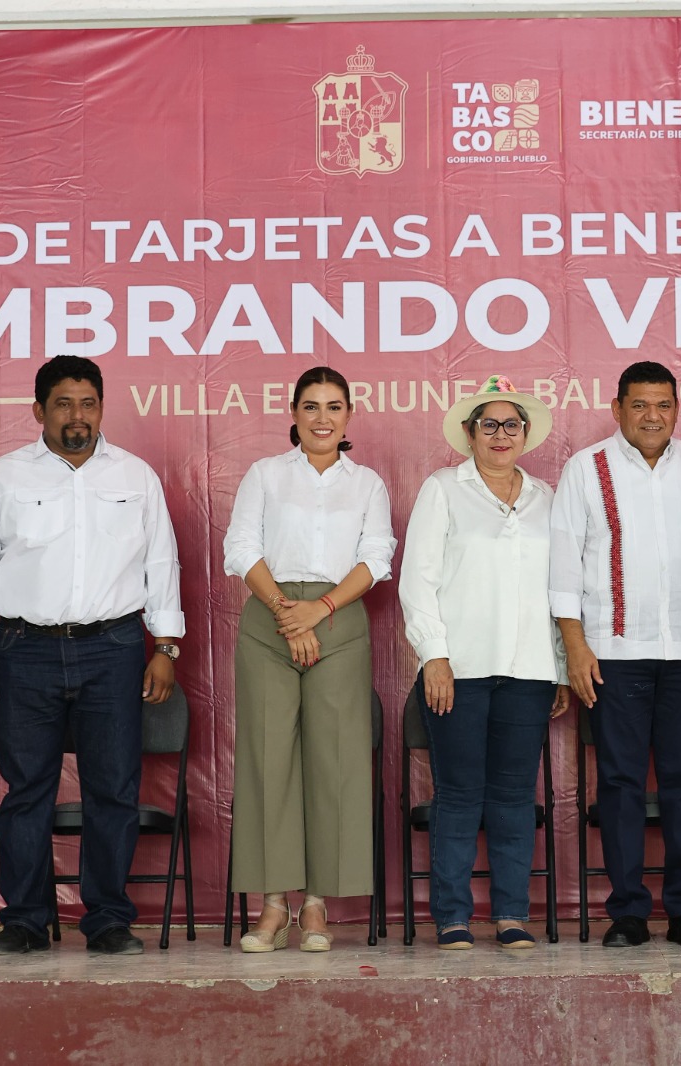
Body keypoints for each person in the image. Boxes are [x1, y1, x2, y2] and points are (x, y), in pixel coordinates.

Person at [0, 355, 183, 956]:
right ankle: (25, 919)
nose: (76, 415)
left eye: (87, 403)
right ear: (38, 410)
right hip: (23, 651)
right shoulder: (4, 477)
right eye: (63, 403)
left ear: (102, 408)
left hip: (115, 649)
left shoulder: (136, 478)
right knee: (27, 790)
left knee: (113, 789)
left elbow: (161, 565)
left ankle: (106, 918)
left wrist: (167, 647)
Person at [550, 361, 681, 949]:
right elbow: (563, 566)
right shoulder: (586, 469)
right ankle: (627, 911)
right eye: (640, 405)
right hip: (612, 652)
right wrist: (574, 647)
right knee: (621, 784)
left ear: (676, 409)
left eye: (663, 405)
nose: (652, 416)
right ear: (617, 407)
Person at [223, 365, 395, 953]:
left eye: (334, 407)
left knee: (336, 759)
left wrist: (318, 609)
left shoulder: (367, 483)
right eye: (311, 406)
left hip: (338, 619)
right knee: (269, 758)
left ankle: (318, 904)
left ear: (349, 416)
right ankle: (273, 905)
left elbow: (377, 557)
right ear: (293, 413)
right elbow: (241, 547)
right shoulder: (266, 474)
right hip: (270, 617)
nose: (323, 418)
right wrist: (284, 610)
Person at [400, 375, 571, 950]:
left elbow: (561, 588)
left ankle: (511, 916)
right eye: (489, 424)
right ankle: (452, 916)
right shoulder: (444, 489)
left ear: (526, 434)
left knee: (514, 798)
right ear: (470, 434)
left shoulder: (548, 497)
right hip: (460, 669)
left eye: (512, 425)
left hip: (528, 670)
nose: (502, 435)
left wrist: (561, 666)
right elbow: (417, 581)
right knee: (458, 794)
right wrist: (434, 657)